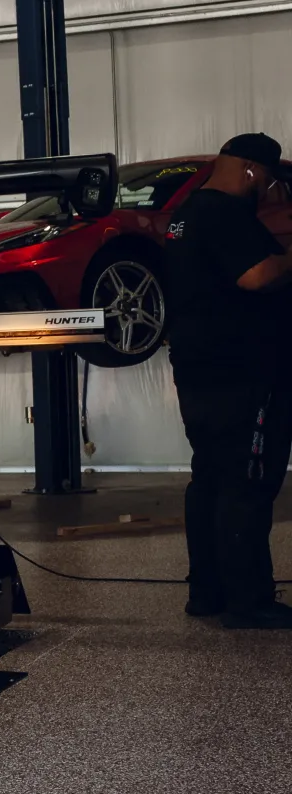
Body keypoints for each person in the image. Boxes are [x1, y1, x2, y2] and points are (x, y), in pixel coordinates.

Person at [167, 134, 292, 629]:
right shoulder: (225, 215)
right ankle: (249, 600)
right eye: (265, 177)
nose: (267, 188)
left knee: (211, 479)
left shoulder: (184, 215)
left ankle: (207, 592)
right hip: (243, 374)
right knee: (248, 481)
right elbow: (256, 277)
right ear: (248, 170)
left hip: (198, 370)